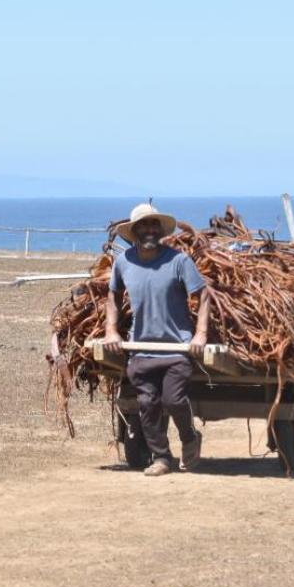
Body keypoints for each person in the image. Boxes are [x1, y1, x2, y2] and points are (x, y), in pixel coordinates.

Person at [101, 203, 212, 477]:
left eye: (154, 226)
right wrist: (111, 330)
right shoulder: (124, 262)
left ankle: (189, 438)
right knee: (147, 404)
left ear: (160, 230)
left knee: (173, 400)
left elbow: (204, 295)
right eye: (144, 226)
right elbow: (112, 296)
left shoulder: (178, 261)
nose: (149, 230)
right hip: (141, 349)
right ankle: (162, 458)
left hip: (176, 347)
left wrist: (200, 334)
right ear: (135, 231)